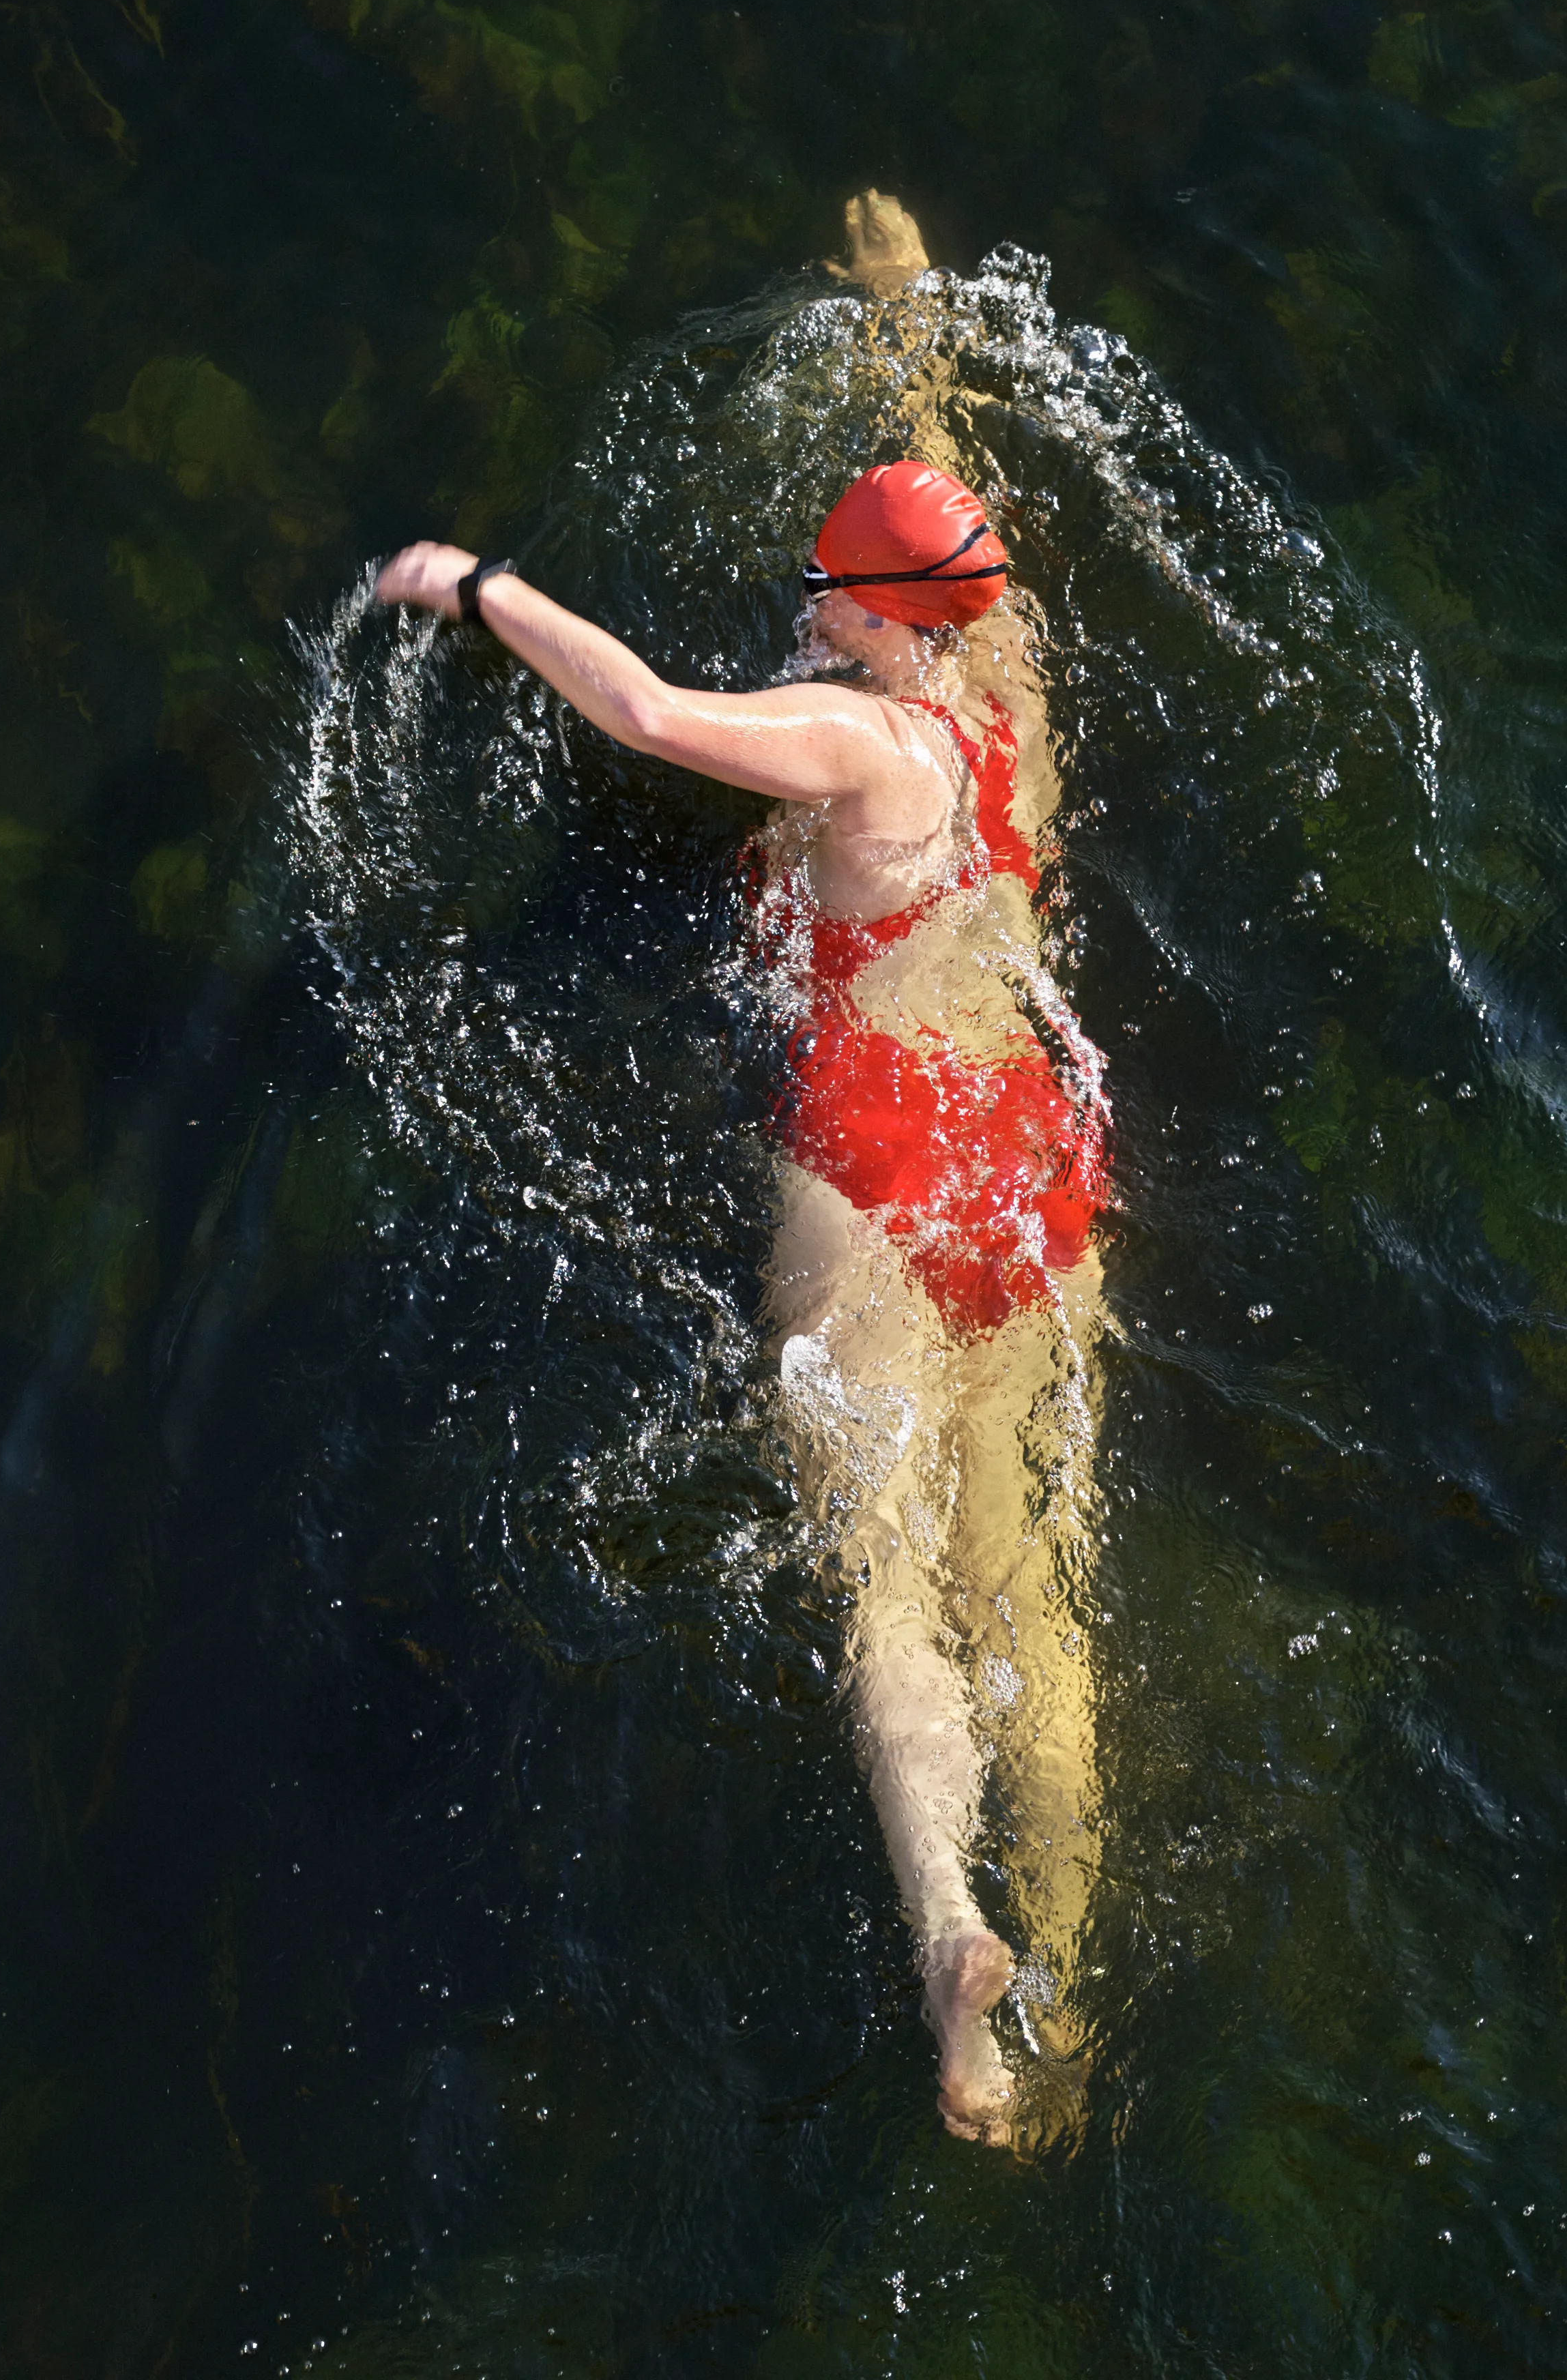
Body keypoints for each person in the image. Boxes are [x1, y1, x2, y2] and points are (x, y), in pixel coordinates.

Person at [371, 196, 1110, 2147]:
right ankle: (1081, 1963)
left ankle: (948, 1930)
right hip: (1031, 1158)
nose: (806, 602)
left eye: (823, 588)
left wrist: (474, 589)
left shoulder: (850, 740)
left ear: (876, 624)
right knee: (1032, 1589)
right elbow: (948, 490)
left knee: (884, 1597)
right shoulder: (1002, 681)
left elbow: (645, 715)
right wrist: (901, 307)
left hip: (871, 1157)